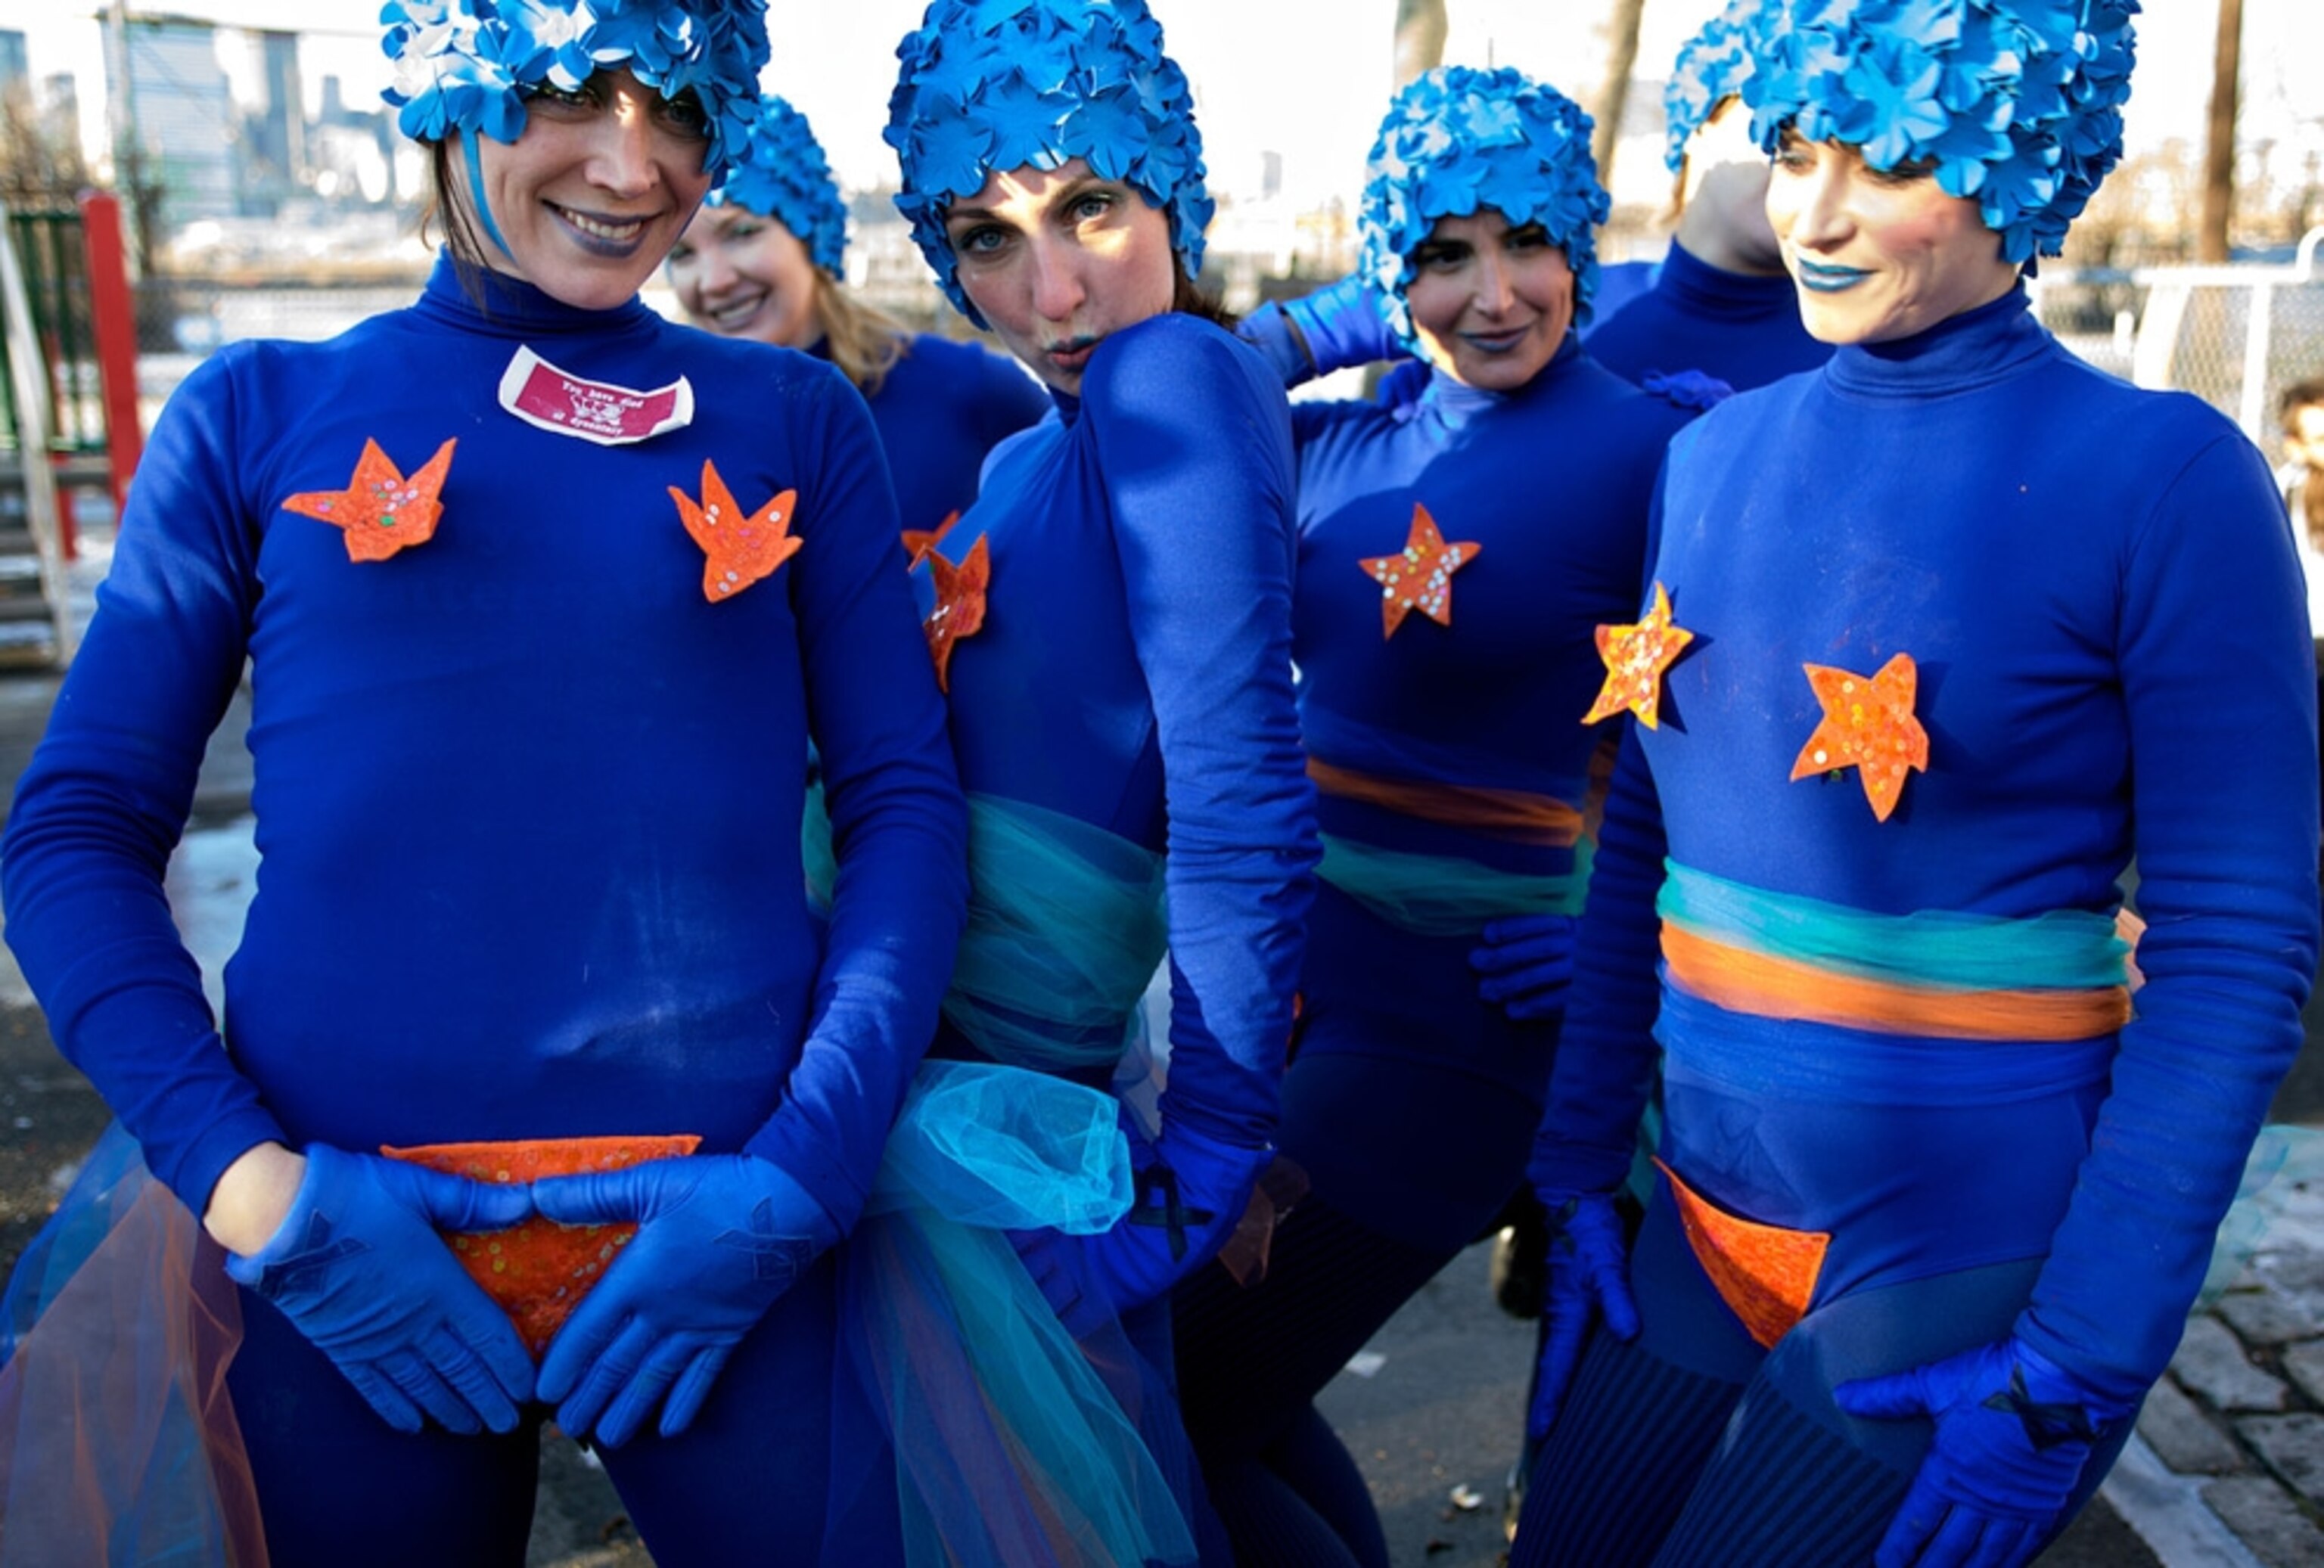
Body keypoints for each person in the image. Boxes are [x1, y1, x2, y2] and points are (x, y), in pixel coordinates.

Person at [0, 4, 969, 1563]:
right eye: (570, 90)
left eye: (680, 106)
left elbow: (903, 809)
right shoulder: (253, 411)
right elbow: (72, 833)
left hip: (732, 1234)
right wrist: (256, 1193)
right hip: (340, 1243)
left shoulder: (798, 418)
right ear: (451, 91)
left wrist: (806, 1174)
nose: (637, 166)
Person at [1508, 3, 2319, 1566]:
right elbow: (1645, 846)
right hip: (1689, 1218)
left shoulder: (2168, 477)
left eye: (1884, 163)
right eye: (1793, 149)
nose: (1811, 217)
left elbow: (2236, 949)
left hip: (1963, 1252)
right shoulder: (1710, 454)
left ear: (2017, 158)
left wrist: (2079, 1363)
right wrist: (1575, 1165)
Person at [1164, 66, 1710, 1568]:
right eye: (1439, 254)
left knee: (1172, 1403)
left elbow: (1744, 734)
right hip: (1284, 1005)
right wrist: (1309, 331)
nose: (1491, 293)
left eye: (1525, 242)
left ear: (1581, 244)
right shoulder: (1342, 432)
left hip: (1459, 1032)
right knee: (1241, 1410)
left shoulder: (1654, 449)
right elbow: (1149, 415)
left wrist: (1639, 929)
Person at [820, 3, 1319, 1563]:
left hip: (1011, 1140)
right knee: (1196, 1475)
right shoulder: (1033, 452)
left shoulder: (1168, 374)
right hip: (975, 1115)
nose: (1049, 292)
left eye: (1090, 207)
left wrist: (1207, 1162)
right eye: (986, 235)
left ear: (1172, 191)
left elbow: (1245, 805)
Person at [665, 94, 1050, 545]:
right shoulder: (667, 430)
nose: (714, 281)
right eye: (681, 252)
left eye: (743, 233)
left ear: (813, 233)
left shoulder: (969, 390)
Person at [1583, 0, 1832, 393]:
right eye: (1780, 134)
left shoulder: (1858, 357)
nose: (1806, 172)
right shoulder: (1557, 315)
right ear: (1699, 126)